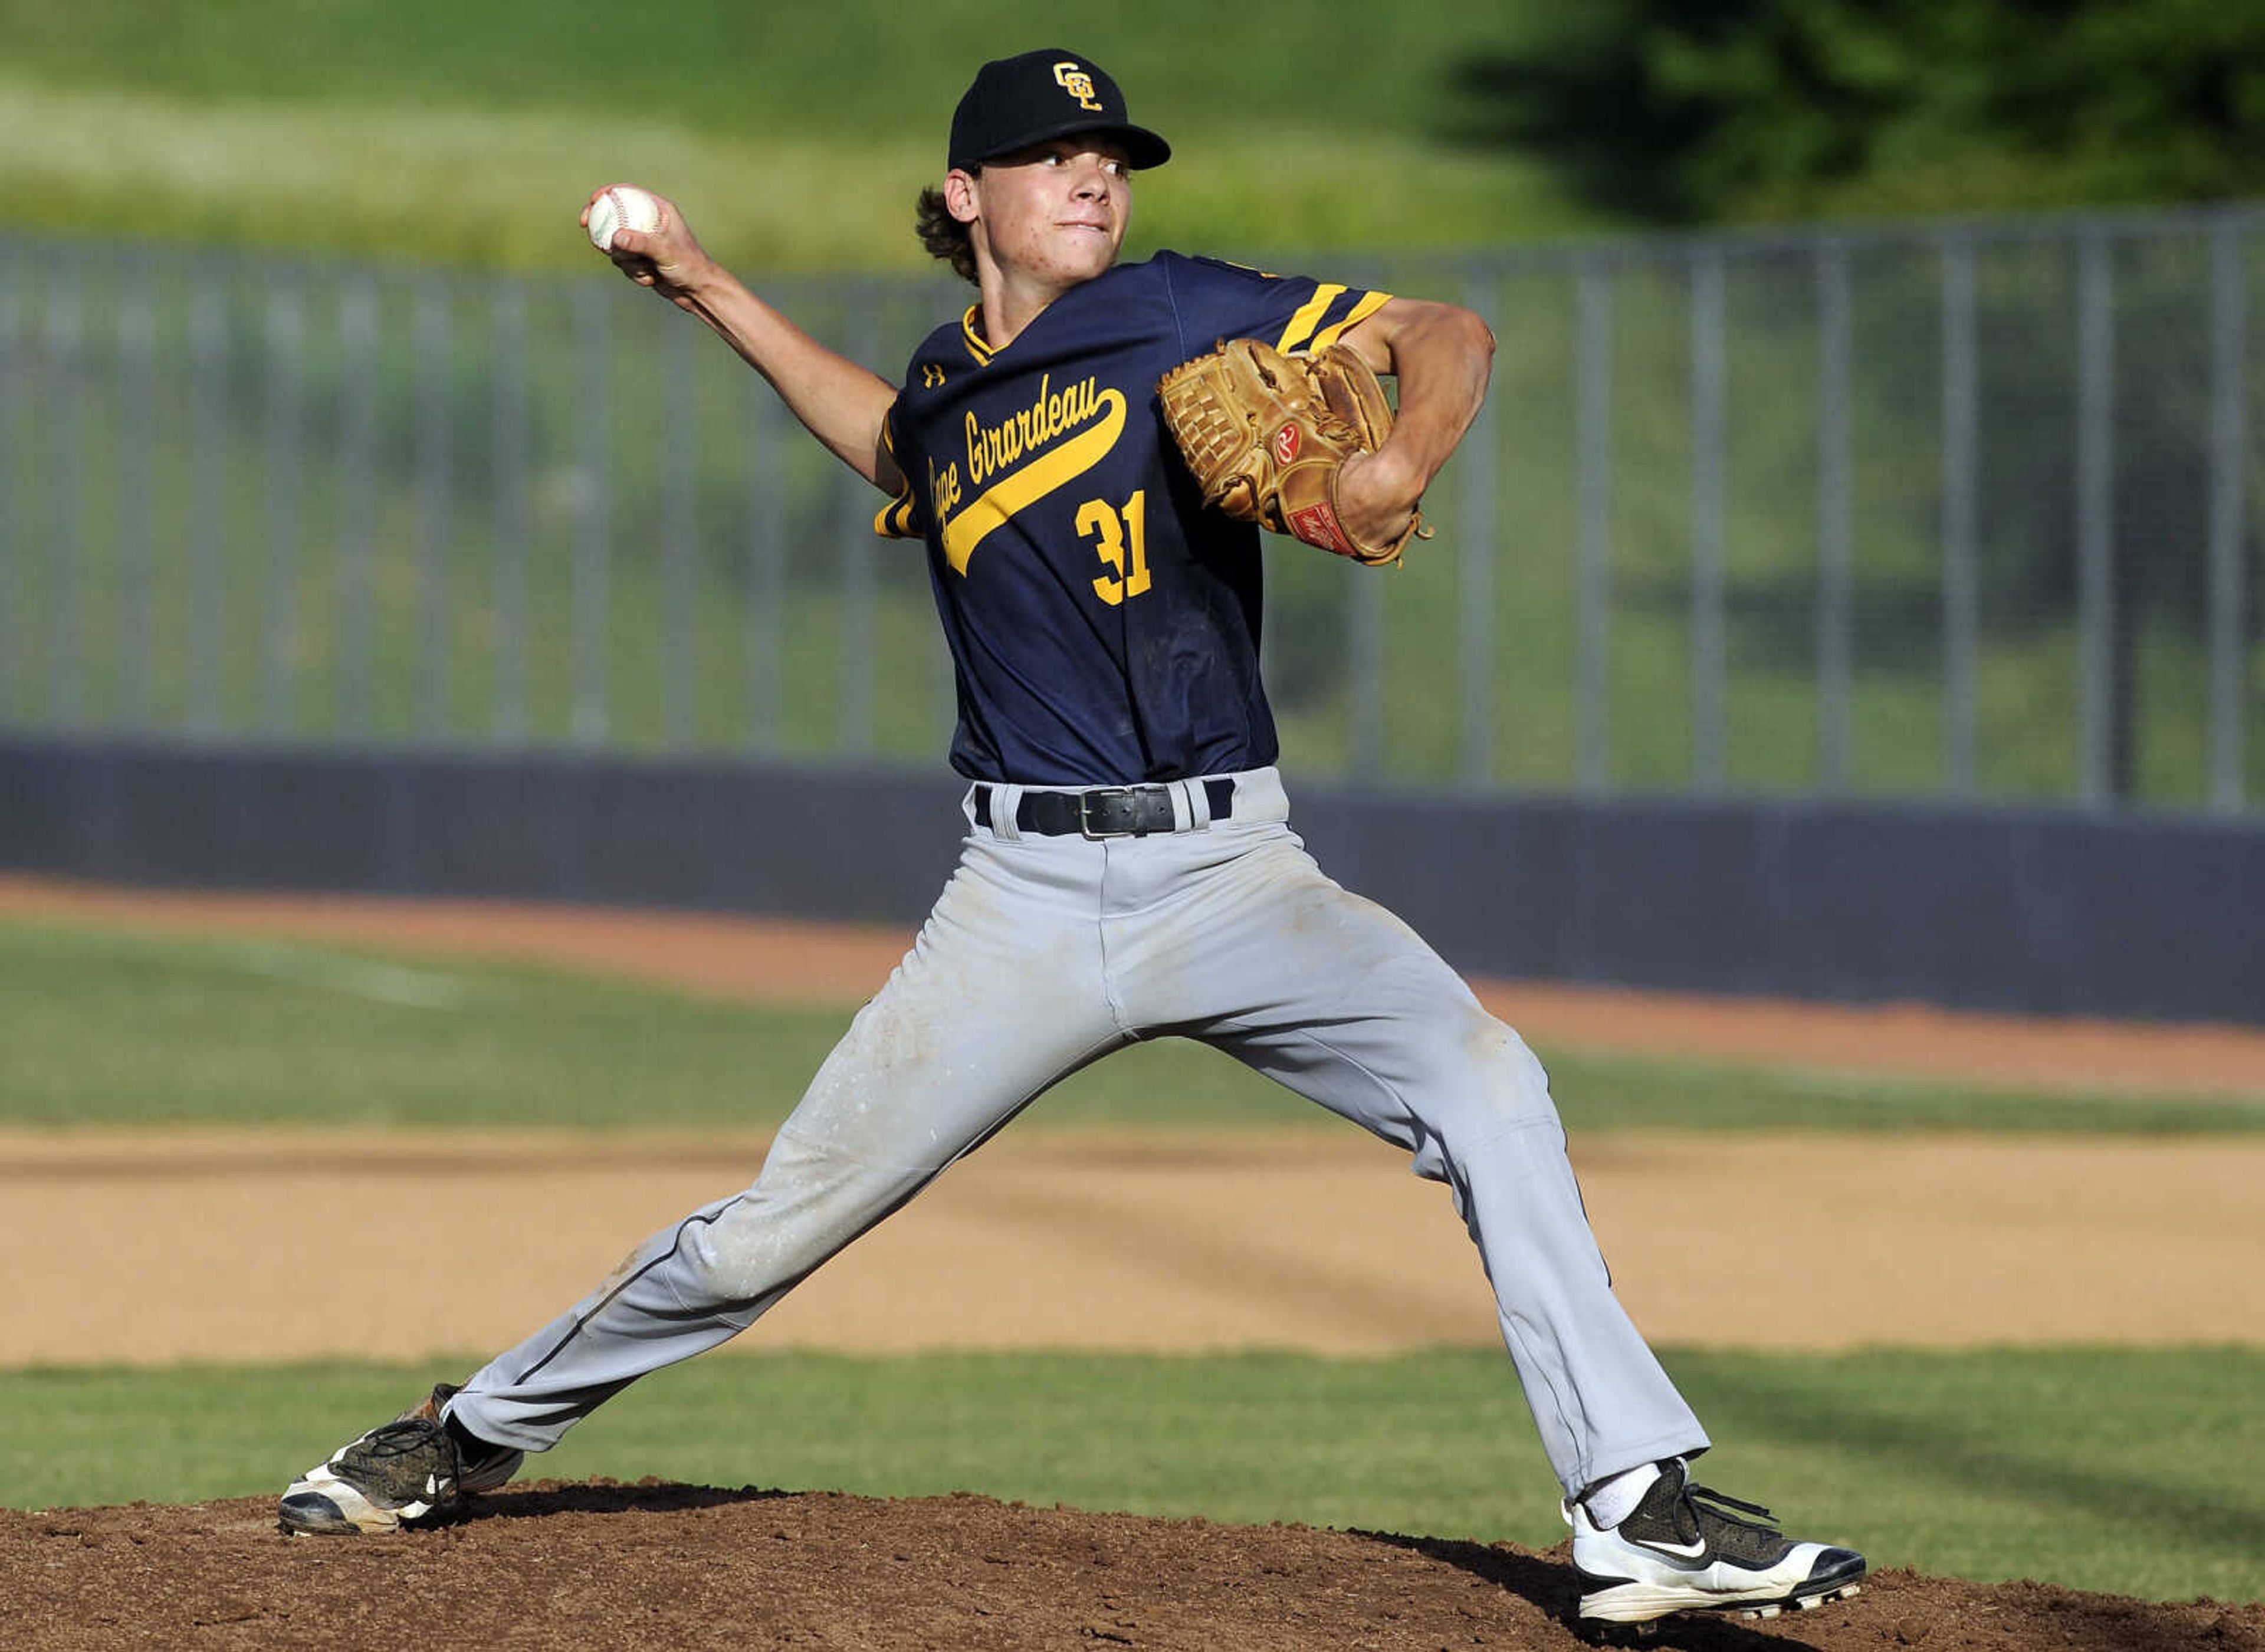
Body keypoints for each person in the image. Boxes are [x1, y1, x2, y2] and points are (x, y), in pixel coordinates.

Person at [278, 48, 1865, 1633]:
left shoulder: (1174, 305)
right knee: (769, 1231)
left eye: (1109, 151)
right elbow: (898, 448)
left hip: (1238, 872)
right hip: (1024, 899)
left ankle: (1633, 1505)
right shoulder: (949, 383)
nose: (1095, 175)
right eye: (1052, 154)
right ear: (969, 196)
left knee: (1489, 1081)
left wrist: (1398, 454)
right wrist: (701, 284)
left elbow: (1447, 329)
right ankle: (467, 1433)